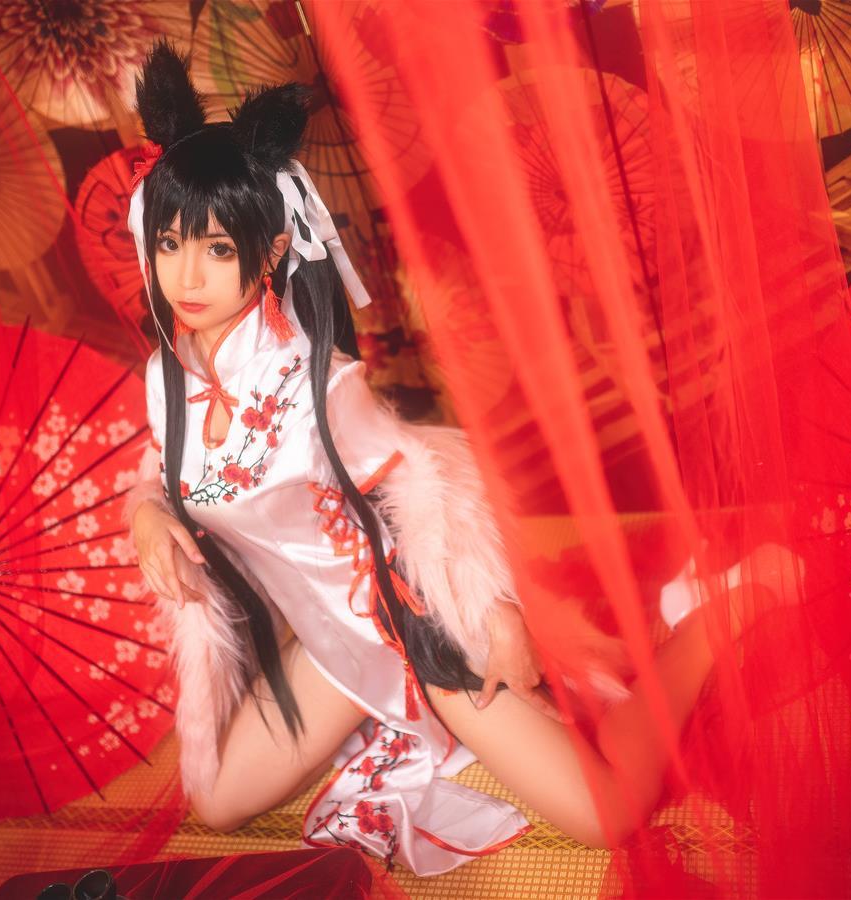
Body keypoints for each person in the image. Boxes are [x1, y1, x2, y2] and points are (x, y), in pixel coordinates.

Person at [120, 40, 738, 877]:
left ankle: (709, 624)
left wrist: (495, 617)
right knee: (217, 801)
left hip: (410, 622)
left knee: (606, 813)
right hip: (324, 645)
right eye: (168, 244)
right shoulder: (169, 375)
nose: (186, 276)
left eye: (218, 249)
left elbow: (431, 480)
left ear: (268, 255)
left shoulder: (318, 384)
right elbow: (166, 468)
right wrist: (148, 513)